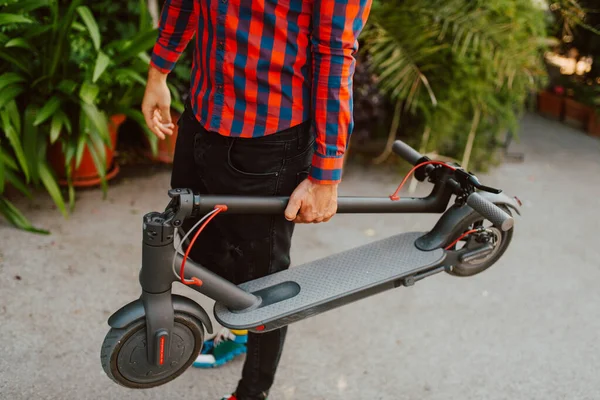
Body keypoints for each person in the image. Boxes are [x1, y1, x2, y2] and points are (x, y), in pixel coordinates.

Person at [142, 0, 371, 398]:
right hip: (202, 112)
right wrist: (158, 70)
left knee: (266, 282)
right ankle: (245, 323)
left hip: (271, 138)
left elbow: (336, 54)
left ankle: (252, 391)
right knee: (195, 247)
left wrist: (326, 174)